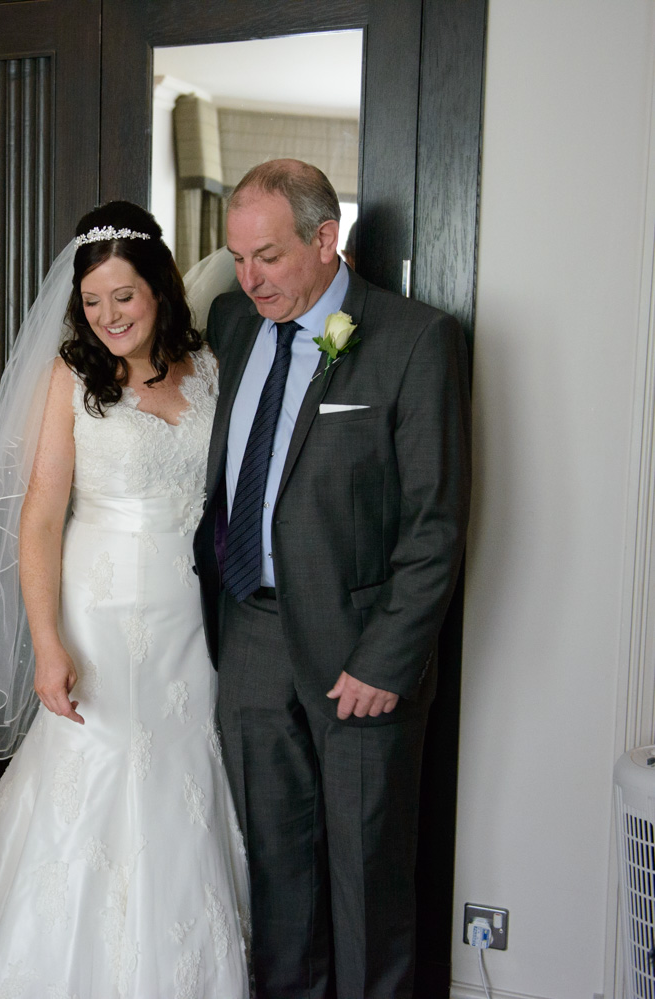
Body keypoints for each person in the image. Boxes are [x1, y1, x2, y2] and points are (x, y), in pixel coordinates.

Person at [0, 202, 251, 997]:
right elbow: (39, 515)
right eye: (93, 301)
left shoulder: (209, 365)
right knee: (96, 773)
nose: (108, 316)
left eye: (124, 297)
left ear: (160, 288)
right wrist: (47, 642)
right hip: (100, 616)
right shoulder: (71, 374)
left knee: (183, 772)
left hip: (192, 617)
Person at [192, 159, 471, 998]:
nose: (249, 279)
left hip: (360, 654)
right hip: (249, 634)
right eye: (238, 258)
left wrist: (388, 659)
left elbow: (435, 524)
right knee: (276, 877)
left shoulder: (415, 339)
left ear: (325, 239)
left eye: (268, 257)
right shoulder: (231, 323)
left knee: (367, 880)